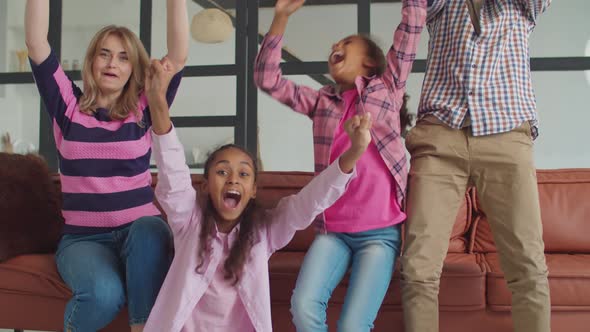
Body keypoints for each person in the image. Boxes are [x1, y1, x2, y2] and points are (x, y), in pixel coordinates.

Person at [142, 58, 372, 332]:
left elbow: (309, 202)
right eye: (222, 172)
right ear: (204, 186)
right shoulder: (187, 221)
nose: (232, 179)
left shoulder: (266, 230)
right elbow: (172, 170)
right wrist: (157, 101)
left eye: (243, 174)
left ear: (252, 190)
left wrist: (354, 153)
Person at [254, 0, 426, 330]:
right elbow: (267, 78)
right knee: (303, 307)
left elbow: (411, 28)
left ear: (371, 62)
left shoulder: (386, 88)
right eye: (336, 44)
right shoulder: (322, 102)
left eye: (347, 43)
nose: (336, 45)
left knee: (352, 326)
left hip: (380, 236)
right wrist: (280, 18)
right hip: (332, 233)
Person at [24, 0, 189, 330]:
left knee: (151, 227)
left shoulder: (145, 106)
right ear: (92, 61)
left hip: (139, 234)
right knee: (102, 294)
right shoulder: (67, 106)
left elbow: (178, 55)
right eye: (105, 53)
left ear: (133, 69)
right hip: (84, 241)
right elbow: (36, 42)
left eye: (124, 56)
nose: (113, 63)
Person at [400, 1, 552, 332]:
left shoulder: (521, 6)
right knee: (417, 268)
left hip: (507, 134)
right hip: (440, 136)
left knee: (528, 267)